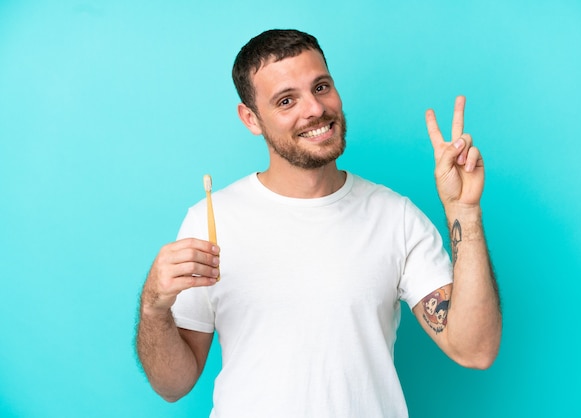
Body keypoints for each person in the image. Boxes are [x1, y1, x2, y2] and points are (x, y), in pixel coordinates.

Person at [135, 29, 501, 417]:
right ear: (251, 118)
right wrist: (153, 309)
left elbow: (475, 349)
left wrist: (464, 211)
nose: (314, 109)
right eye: (287, 100)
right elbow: (173, 385)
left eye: (321, 87)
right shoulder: (211, 221)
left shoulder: (395, 217)